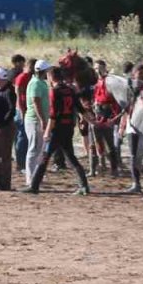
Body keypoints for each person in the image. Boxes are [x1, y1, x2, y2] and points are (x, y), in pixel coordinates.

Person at [24, 67, 90, 195]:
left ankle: (34, 186)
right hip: (68, 127)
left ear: (50, 77)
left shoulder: (55, 91)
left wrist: (48, 131)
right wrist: (89, 120)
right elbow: (80, 107)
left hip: (57, 128)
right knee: (70, 157)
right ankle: (84, 185)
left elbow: (53, 114)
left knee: (45, 156)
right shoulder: (70, 90)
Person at [23, 59, 51, 188]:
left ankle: (35, 176)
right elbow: (36, 102)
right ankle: (30, 178)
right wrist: (42, 120)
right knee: (34, 149)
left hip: (38, 119)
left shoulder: (40, 83)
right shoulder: (35, 83)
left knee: (39, 149)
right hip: (34, 120)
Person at [10, 55, 31, 171]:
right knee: (22, 136)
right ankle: (21, 162)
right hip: (19, 108)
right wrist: (21, 109)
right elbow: (17, 93)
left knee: (19, 136)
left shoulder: (14, 74)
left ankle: (20, 161)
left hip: (16, 107)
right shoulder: (18, 75)